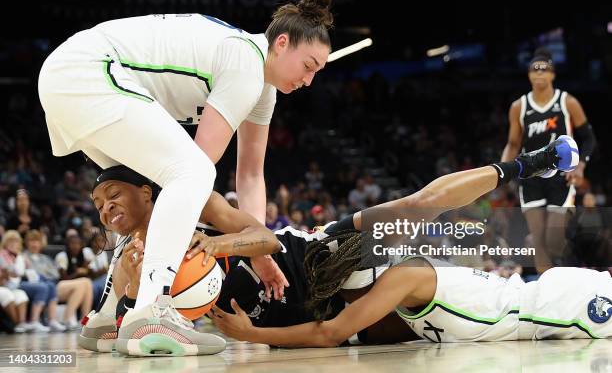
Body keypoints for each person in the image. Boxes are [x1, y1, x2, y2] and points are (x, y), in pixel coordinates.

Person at [38, 0, 333, 352]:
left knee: (142, 195)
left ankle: (107, 316)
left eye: (317, 72)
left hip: (71, 76)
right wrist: (245, 244)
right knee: (191, 173)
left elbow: (251, 176)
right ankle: (152, 309)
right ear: (283, 43)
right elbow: (199, 163)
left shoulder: (261, 88)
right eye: (309, 66)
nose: (309, 80)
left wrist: (255, 249)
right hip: (89, 71)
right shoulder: (246, 63)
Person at [211, 137, 611, 345]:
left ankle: (528, 164)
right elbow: (327, 335)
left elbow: (260, 236)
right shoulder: (162, 279)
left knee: (421, 204)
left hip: (326, 252)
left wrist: (224, 247)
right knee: (422, 328)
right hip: (329, 292)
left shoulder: (197, 218)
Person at [79, 165, 279, 355]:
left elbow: (270, 240)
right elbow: (129, 331)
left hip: (290, 272)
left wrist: (215, 244)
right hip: (267, 324)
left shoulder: (196, 204)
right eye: (99, 207)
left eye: (114, 195)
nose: (107, 208)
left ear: (146, 193)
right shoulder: (129, 259)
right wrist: (135, 287)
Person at [501, 48, 597, 273]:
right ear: (529, 75)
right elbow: (513, 144)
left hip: (560, 176)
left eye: (545, 70)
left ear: (553, 75)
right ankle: (546, 294)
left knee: (555, 239)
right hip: (531, 176)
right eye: (535, 70)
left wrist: (581, 166)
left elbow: (589, 138)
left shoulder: (567, 102)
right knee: (537, 240)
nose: (540, 74)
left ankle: (577, 275)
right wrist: (502, 171)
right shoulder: (519, 107)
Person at [23, 229, 92, 330]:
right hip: (49, 285)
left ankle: (84, 320)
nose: (35, 244)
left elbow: (54, 274)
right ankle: (67, 319)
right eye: (31, 241)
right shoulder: (24, 257)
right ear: (26, 243)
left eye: (37, 241)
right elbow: (34, 276)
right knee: (84, 282)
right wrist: (45, 275)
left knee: (87, 283)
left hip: (53, 284)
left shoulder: (45, 258)